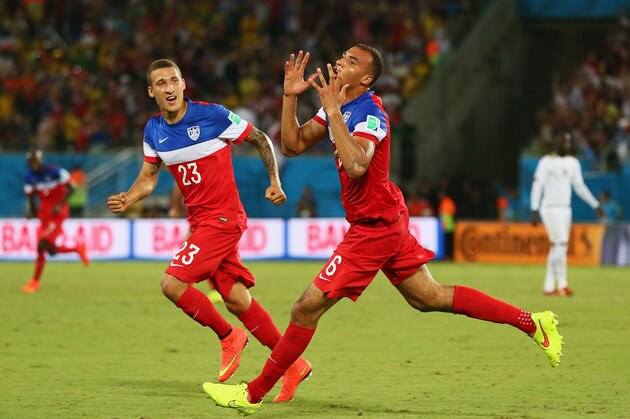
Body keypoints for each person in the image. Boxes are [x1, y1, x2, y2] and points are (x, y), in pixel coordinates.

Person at [203, 45, 564, 415]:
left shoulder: (371, 113)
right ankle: (533, 323)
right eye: (343, 55)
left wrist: (331, 111)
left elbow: (358, 165)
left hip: (374, 228)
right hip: (383, 218)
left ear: (366, 79)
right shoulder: (340, 103)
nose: (342, 60)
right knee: (429, 296)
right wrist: (289, 98)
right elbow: (293, 145)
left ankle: (251, 395)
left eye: (352, 61)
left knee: (305, 308)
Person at [106, 59, 311, 402]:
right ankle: (294, 364)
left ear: (184, 83)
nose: (169, 88)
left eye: (173, 81)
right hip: (201, 221)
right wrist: (129, 197)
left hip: (223, 218)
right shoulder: (153, 130)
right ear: (151, 91)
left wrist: (274, 181)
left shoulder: (212, 116)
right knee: (235, 298)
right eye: (161, 83)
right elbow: (149, 178)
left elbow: (260, 139)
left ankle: (230, 337)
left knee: (171, 284)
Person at [530, 132, 605, 296]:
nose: (568, 145)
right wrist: (534, 208)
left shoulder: (573, 163)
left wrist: (595, 204)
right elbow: (538, 184)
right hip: (549, 207)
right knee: (560, 244)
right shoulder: (546, 162)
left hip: (565, 208)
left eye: (570, 142)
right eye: (564, 142)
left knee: (559, 246)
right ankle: (558, 284)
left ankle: (551, 286)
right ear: (556, 144)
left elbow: (579, 186)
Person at [22, 150, 90, 293]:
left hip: (57, 213)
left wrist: (60, 204)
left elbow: (72, 188)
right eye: (30, 161)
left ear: (41, 160)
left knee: (41, 245)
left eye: (35, 161)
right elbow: (31, 198)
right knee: (50, 250)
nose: (33, 164)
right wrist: (31, 212)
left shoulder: (55, 171)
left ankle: (34, 281)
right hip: (44, 215)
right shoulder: (29, 177)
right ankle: (77, 248)